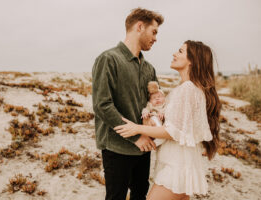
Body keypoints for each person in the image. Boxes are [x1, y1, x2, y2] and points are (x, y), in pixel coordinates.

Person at [114, 40, 222, 200]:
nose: (174, 54)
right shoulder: (188, 89)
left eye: (180, 51)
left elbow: (172, 132)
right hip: (178, 163)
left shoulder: (187, 90)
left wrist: (137, 128)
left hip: (176, 167)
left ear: (191, 60)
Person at [92, 8, 164, 200]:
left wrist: (153, 128)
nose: (156, 38)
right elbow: (102, 105)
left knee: (140, 195)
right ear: (140, 27)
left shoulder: (149, 68)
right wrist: (136, 138)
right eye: (154, 32)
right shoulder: (108, 59)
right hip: (117, 147)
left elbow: (154, 105)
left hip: (144, 147)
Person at [141, 81, 166, 146]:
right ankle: (158, 136)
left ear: (164, 98)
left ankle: (160, 136)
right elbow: (146, 109)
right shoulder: (150, 105)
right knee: (153, 118)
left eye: (159, 96)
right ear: (150, 101)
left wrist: (162, 112)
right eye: (154, 98)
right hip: (153, 119)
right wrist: (145, 113)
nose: (157, 99)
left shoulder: (165, 105)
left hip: (162, 122)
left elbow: (167, 110)